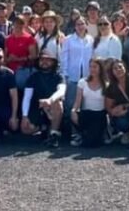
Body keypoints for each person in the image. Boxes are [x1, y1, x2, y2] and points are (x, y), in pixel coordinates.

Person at [20, 50, 66, 147]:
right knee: (26, 129)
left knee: (58, 104)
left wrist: (50, 100)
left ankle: (54, 135)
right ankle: (44, 128)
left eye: (48, 60)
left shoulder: (58, 76)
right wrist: (24, 117)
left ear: (53, 62)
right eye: (42, 59)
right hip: (38, 108)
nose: (44, 62)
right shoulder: (33, 77)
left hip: (53, 108)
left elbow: (61, 91)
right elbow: (27, 97)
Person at [59, 15, 94, 143]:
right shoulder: (68, 40)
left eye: (82, 24)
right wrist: (65, 75)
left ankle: (83, 131)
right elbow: (64, 58)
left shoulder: (91, 40)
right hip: (72, 78)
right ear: (75, 26)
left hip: (87, 78)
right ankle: (71, 132)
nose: (80, 26)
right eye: (77, 24)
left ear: (86, 25)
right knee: (70, 105)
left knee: (84, 106)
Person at [105, 60, 129, 148]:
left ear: (125, 68)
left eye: (120, 67)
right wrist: (113, 111)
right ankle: (126, 133)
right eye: (115, 68)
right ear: (112, 71)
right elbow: (108, 106)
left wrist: (124, 106)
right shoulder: (112, 86)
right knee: (120, 120)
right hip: (122, 113)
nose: (118, 70)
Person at [70, 58, 108, 147]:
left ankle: (104, 132)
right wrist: (73, 111)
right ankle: (80, 134)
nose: (92, 69)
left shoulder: (106, 84)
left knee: (93, 144)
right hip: (86, 113)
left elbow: (107, 105)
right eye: (90, 67)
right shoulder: (82, 82)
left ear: (101, 68)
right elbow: (77, 102)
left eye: (95, 67)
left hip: (99, 114)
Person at [5, 15, 38, 90]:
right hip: (10, 72)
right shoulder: (8, 39)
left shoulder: (29, 38)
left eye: (21, 23)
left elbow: (33, 56)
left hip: (23, 72)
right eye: (16, 23)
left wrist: (19, 59)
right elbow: (4, 56)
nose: (18, 25)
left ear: (24, 24)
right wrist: (7, 60)